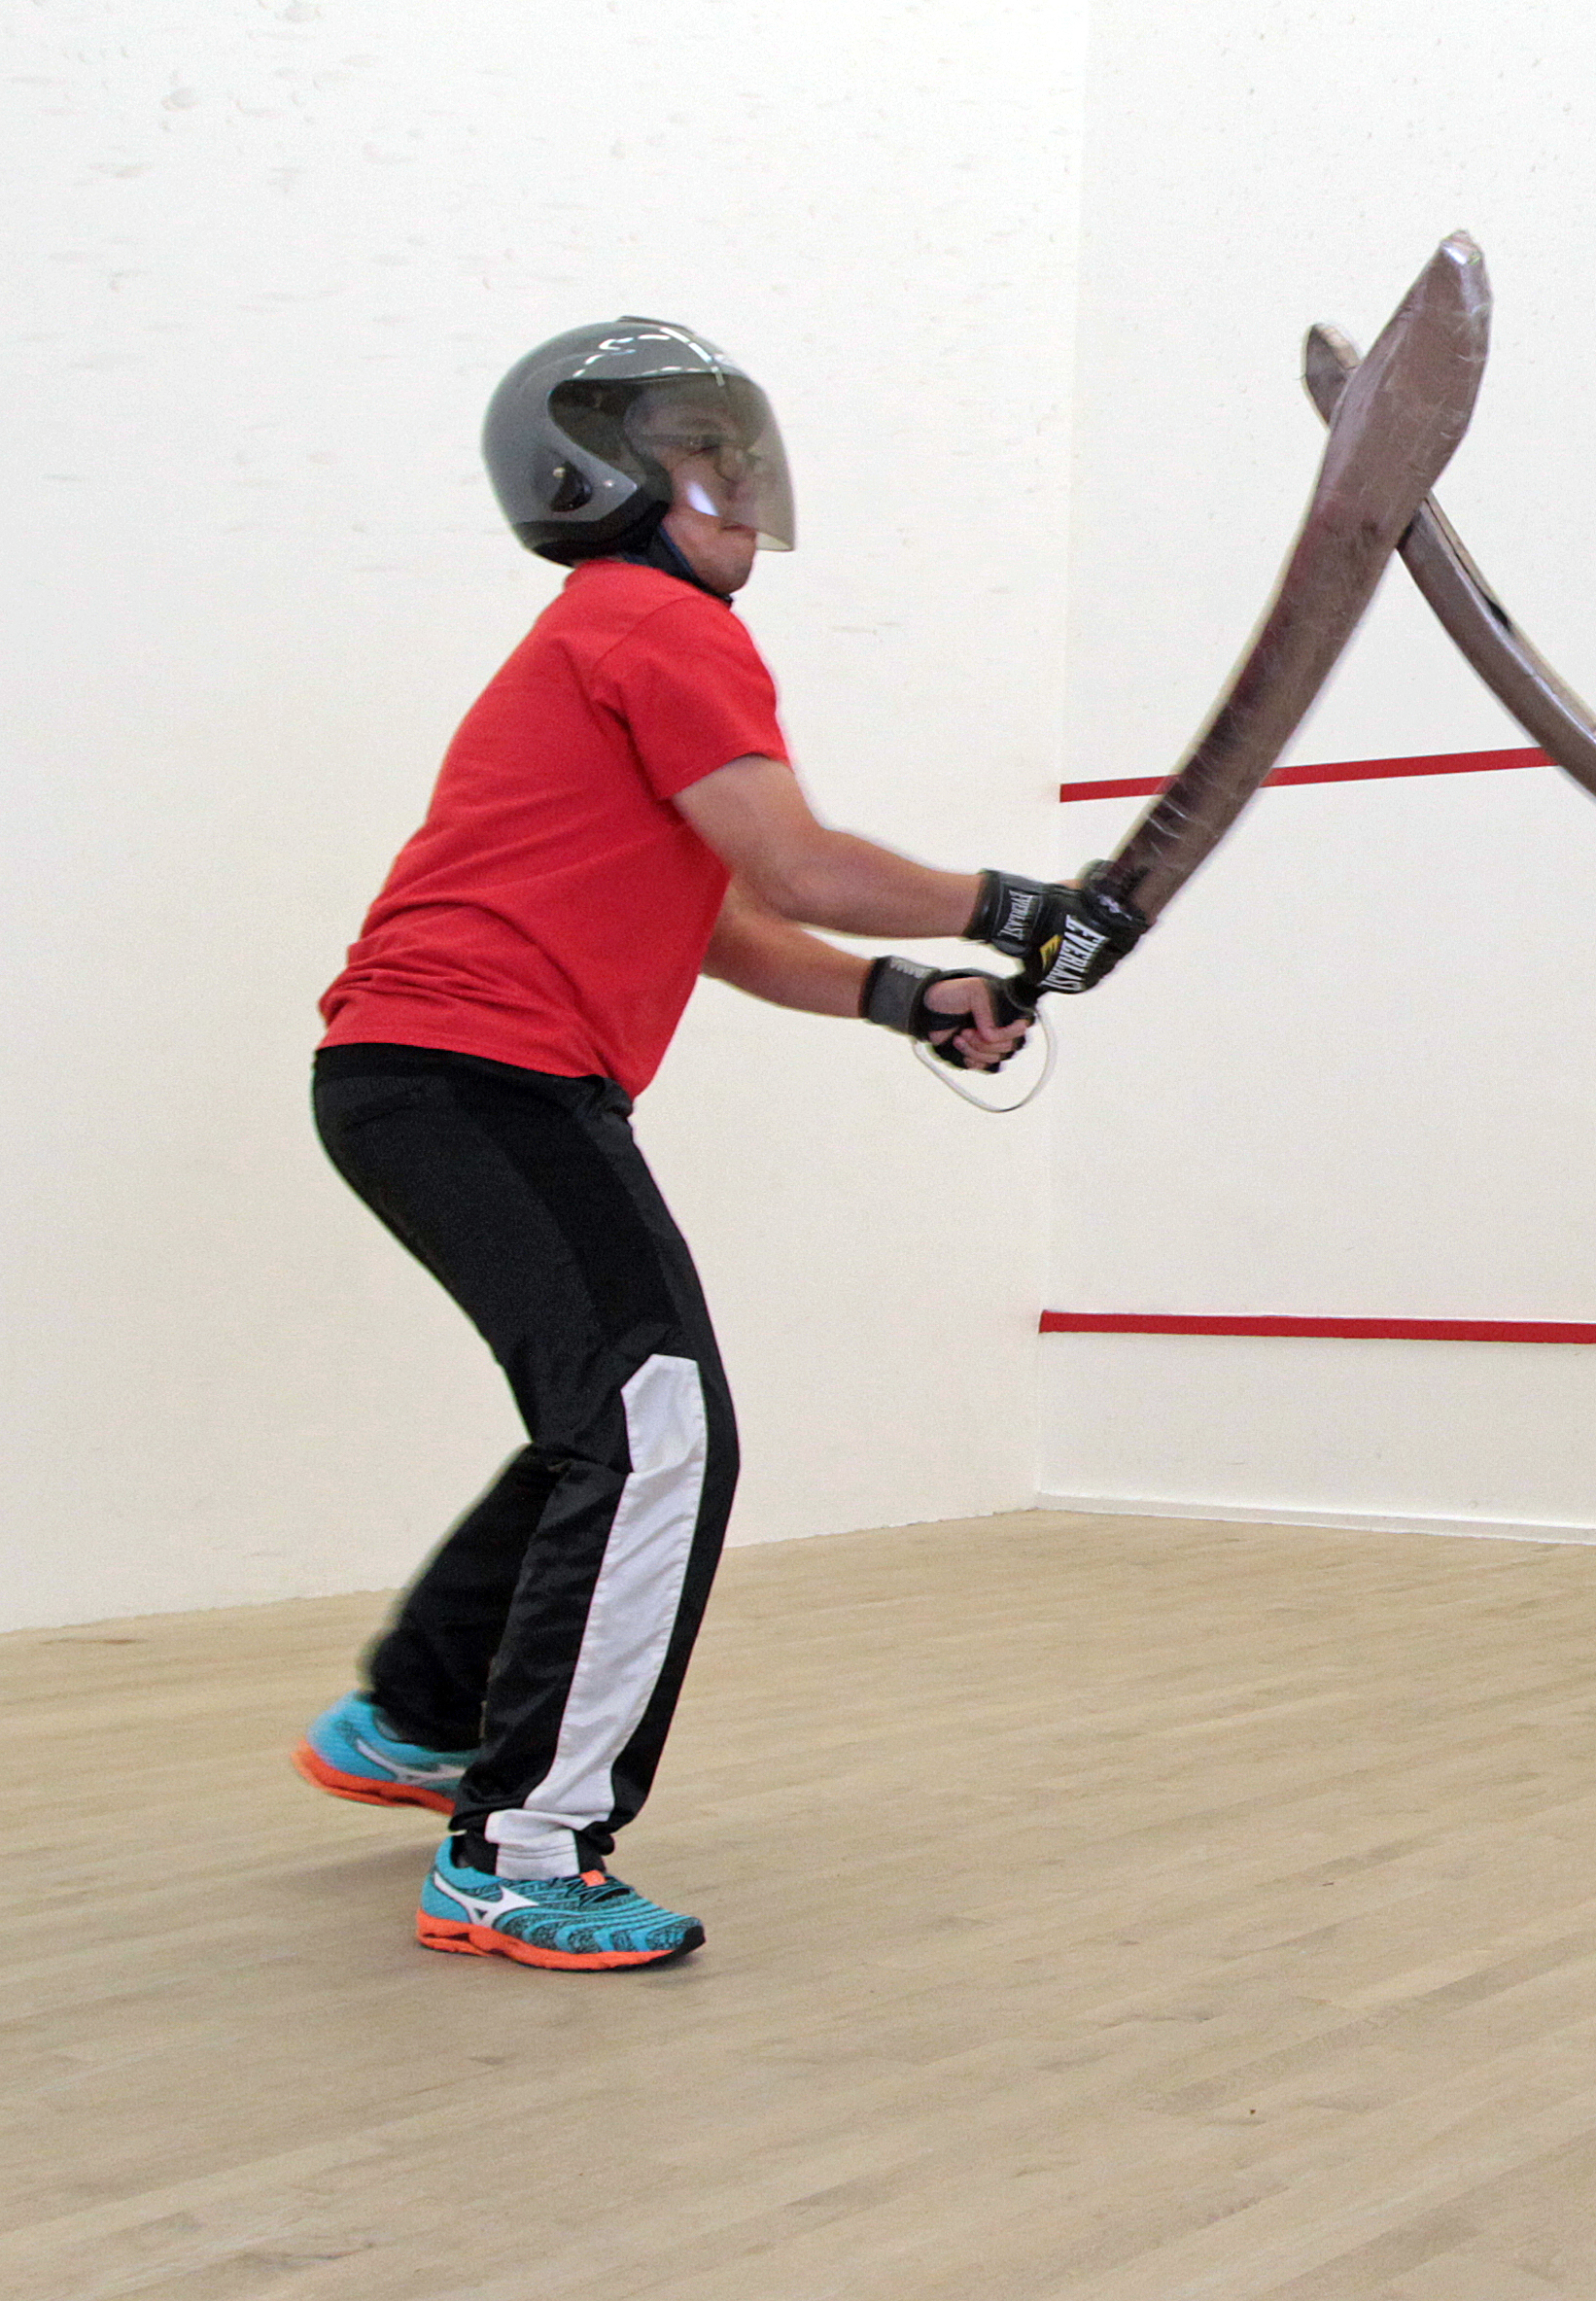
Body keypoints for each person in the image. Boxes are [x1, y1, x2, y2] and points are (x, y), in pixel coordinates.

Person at [289, 317, 1142, 1970]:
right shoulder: (651, 622)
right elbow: (807, 866)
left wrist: (912, 996)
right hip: (475, 1069)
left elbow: (736, 921)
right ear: (599, 478)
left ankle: (414, 1712)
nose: (744, 490)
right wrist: (1022, 905)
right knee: (657, 1427)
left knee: (610, 1416)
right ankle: (519, 1851)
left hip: (426, 1074)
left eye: (747, 454)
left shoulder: (608, 639)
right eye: (708, 455)